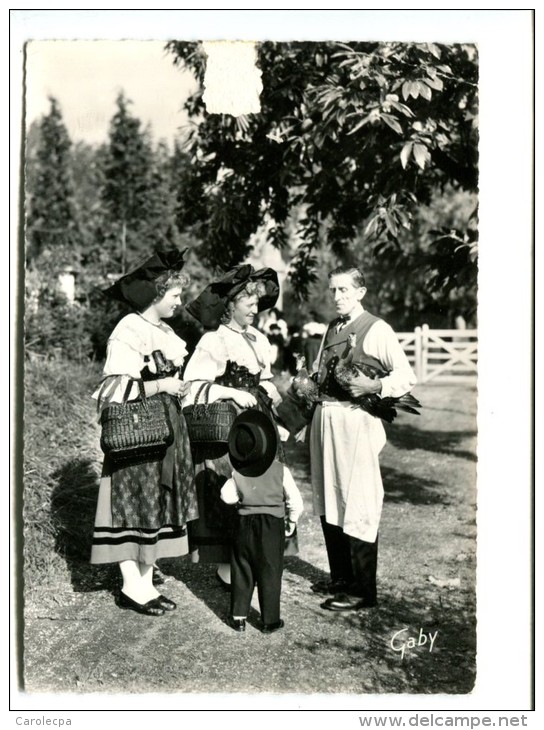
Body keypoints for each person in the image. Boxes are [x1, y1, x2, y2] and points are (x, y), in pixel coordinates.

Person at [90, 247, 198, 616]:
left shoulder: (164, 330)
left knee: (155, 501)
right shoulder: (129, 329)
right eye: (175, 295)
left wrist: (175, 387)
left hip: (165, 428)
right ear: (156, 294)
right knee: (133, 501)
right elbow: (113, 389)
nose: (179, 302)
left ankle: (144, 582)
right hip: (138, 429)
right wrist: (162, 386)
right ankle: (130, 586)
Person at [309, 265, 417, 611]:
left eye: (344, 290)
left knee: (358, 499)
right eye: (333, 290)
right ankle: (341, 578)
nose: (337, 297)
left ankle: (362, 590)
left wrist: (376, 385)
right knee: (330, 497)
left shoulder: (376, 328)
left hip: (356, 421)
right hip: (326, 419)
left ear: (360, 292)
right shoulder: (331, 328)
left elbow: (406, 375)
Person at [183, 264, 289, 588]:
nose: (256, 309)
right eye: (250, 303)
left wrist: (274, 400)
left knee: (262, 492)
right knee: (234, 492)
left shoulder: (257, 339)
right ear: (231, 305)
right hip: (229, 432)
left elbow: (265, 380)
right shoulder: (215, 341)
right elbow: (192, 387)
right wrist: (231, 392)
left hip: (260, 427)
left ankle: (247, 563)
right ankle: (230, 569)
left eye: (257, 303)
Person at [220, 409, 303, 633]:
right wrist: (291, 522)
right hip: (271, 525)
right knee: (270, 570)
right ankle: (269, 620)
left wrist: (242, 498)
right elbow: (296, 501)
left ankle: (238, 616)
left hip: (244, 524)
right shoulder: (280, 470)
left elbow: (226, 496)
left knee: (242, 567)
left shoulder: (238, 473)